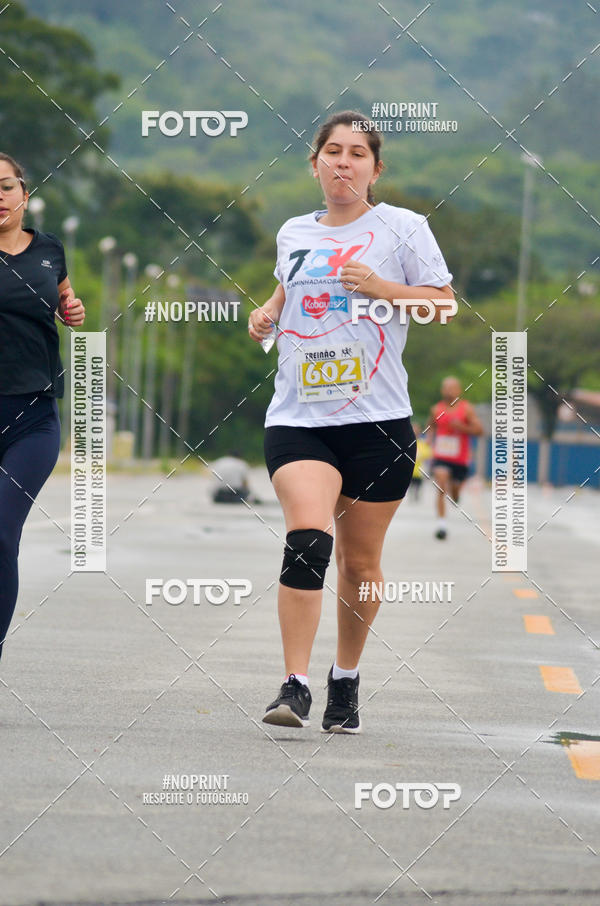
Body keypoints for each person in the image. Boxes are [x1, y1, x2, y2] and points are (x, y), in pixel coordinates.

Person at [248, 111, 455, 733]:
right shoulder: (294, 233)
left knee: (361, 565)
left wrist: (385, 287)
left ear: (375, 167)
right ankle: (294, 684)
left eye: (357, 153)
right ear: (314, 163)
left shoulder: (402, 227)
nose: (343, 162)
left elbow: (443, 305)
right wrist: (267, 311)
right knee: (308, 538)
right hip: (299, 419)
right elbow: (288, 291)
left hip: (379, 423)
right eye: (331, 152)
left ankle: (346, 677)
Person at [0, 153, 85, 662]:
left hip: (32, 417)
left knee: (1, 533)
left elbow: (64, 301)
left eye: (5, 186)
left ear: (23, 194)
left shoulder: (49, 250)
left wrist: (70, 309)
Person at [428, 376, 483, 540]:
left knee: (454, 490)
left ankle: (456, 494)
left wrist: (462, 427)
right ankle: (441, 525)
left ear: (459, 390)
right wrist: (430, 440)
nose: (448, 391)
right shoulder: (436, 409)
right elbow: (431, 426)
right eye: (445, 388)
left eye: (452, 388)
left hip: (460, 458)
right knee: (441, 485)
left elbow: (479, 431)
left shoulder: (466, 409)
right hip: (441, 455)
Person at [409, 422, 432, 501]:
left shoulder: (422, 443)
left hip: (420, 470)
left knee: (418, 483)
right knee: (411, 483)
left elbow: (428, 453)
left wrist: (421, 456)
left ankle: (416, 493)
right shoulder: (407, 442)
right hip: (409, 470)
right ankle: (411, 492)